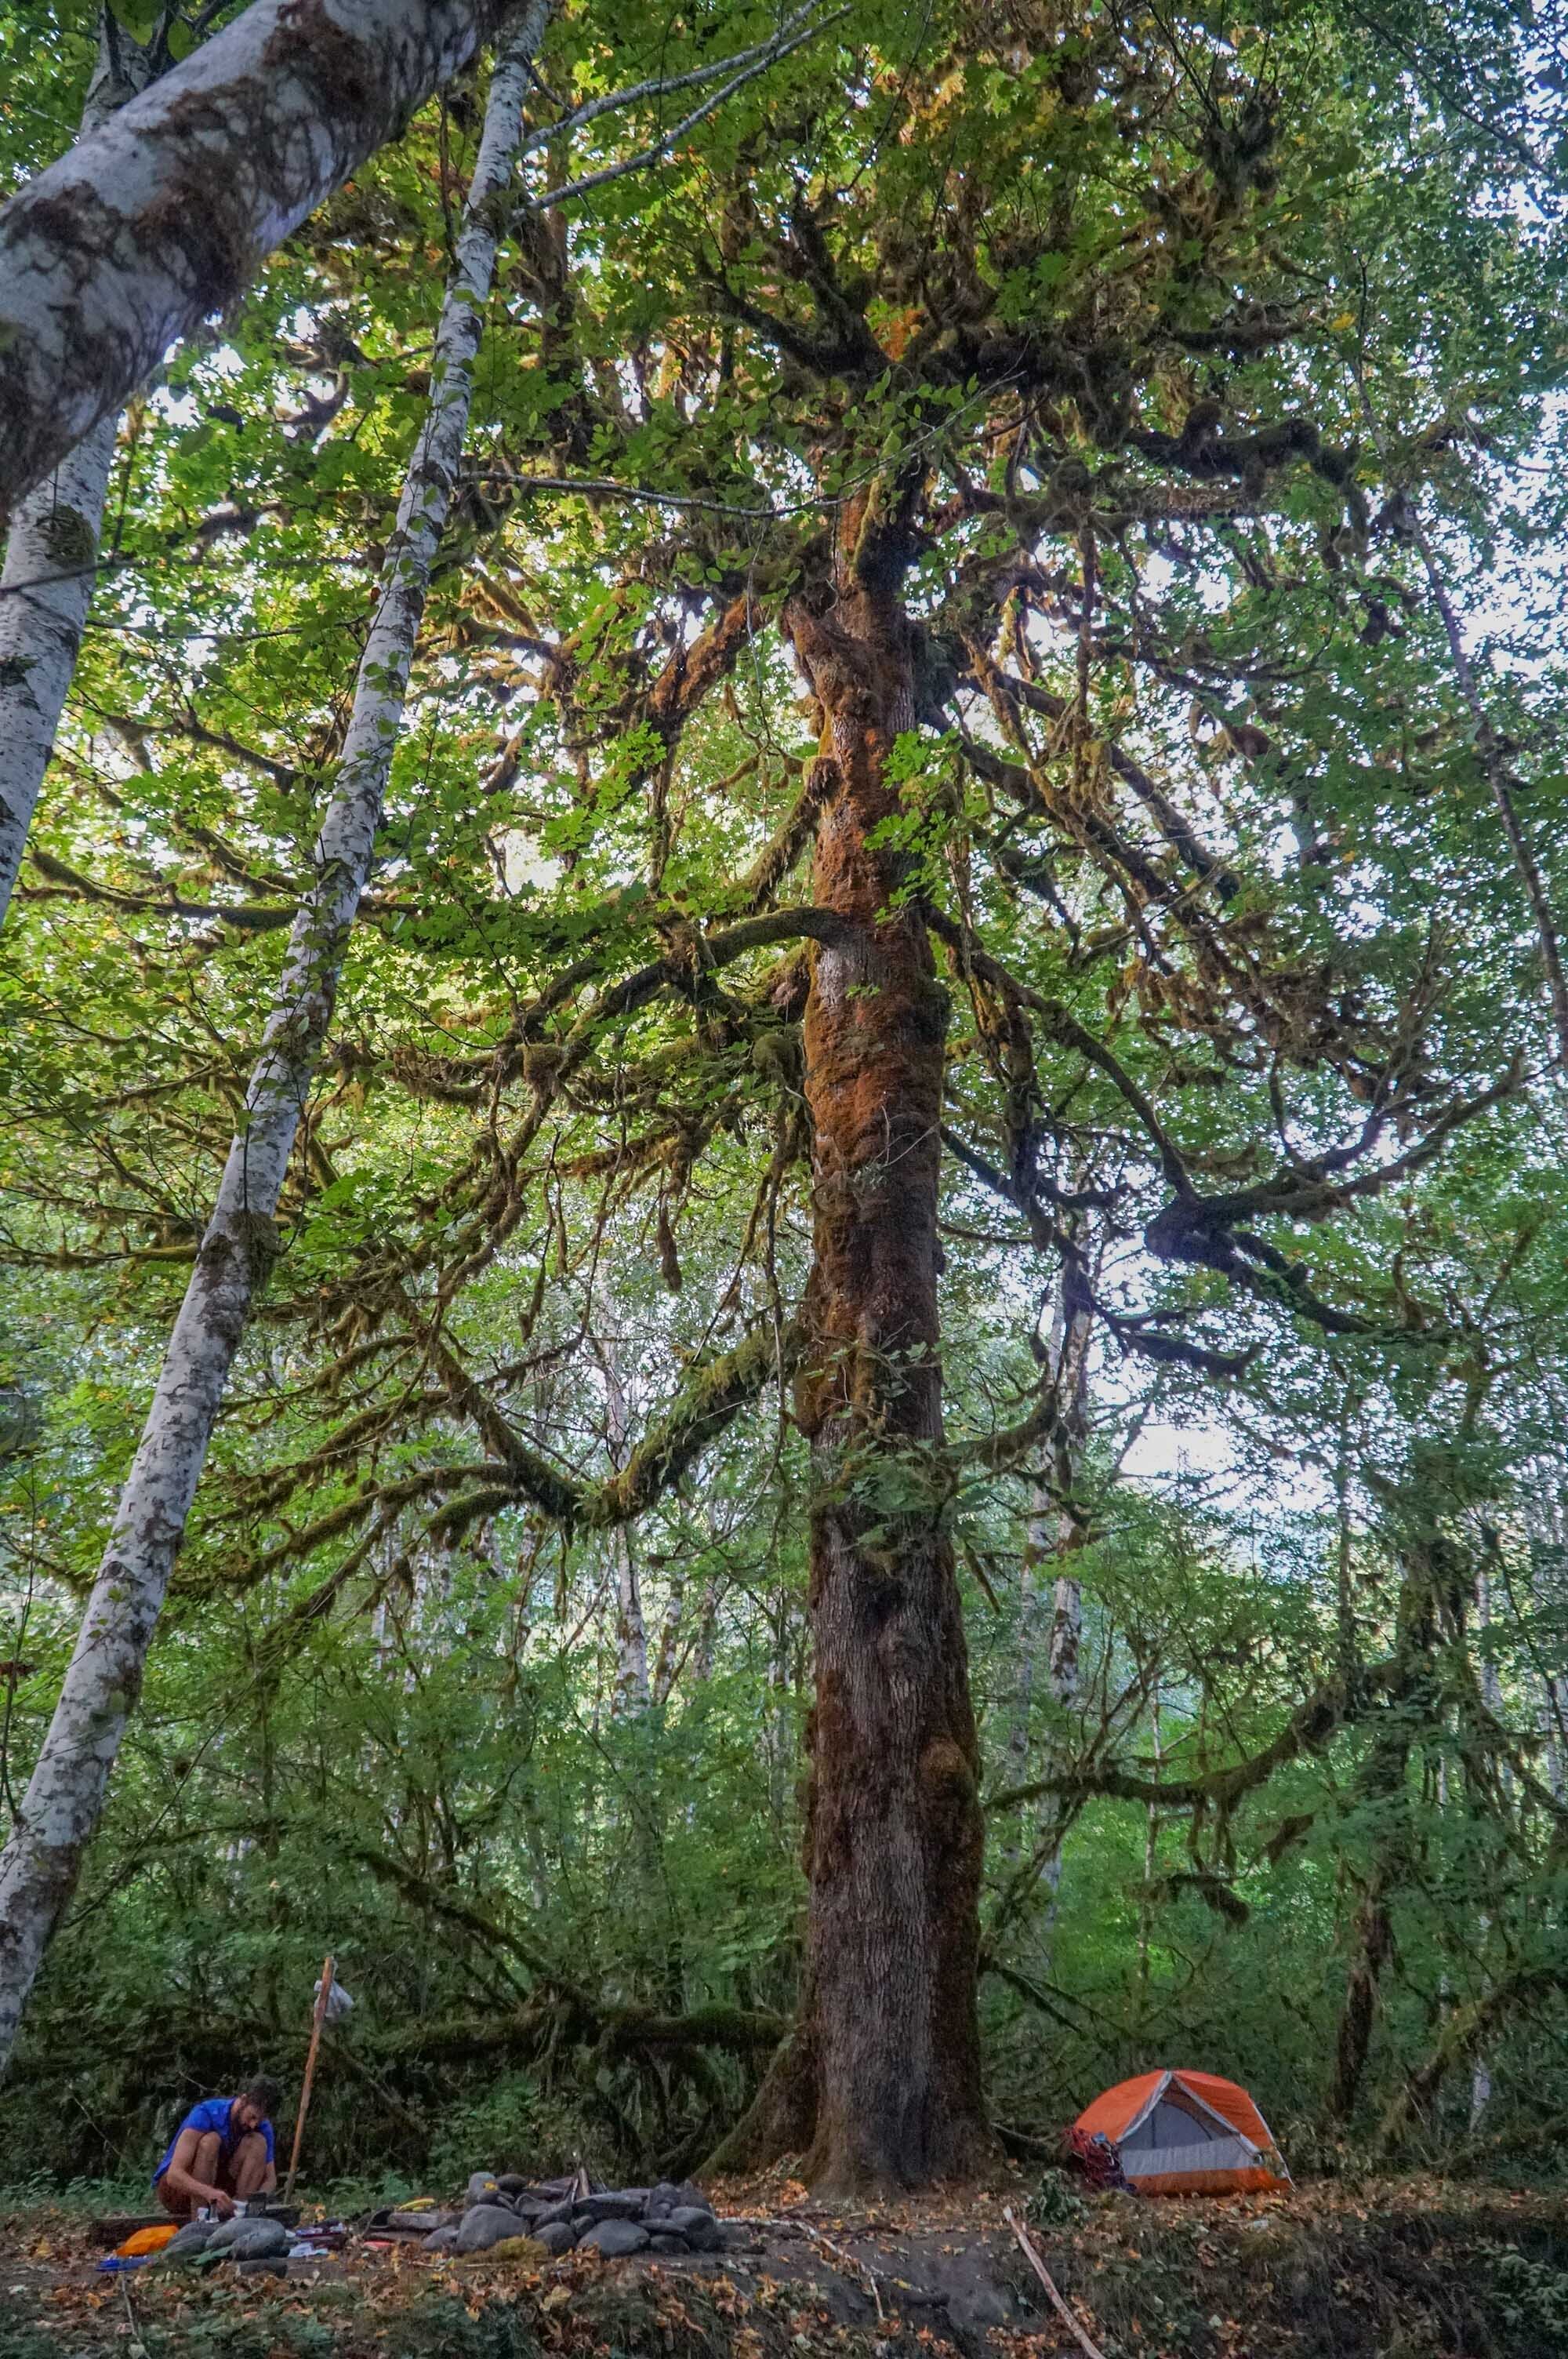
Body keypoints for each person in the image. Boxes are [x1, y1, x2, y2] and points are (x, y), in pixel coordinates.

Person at [153, 2076, 282, 2218]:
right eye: (252, 2117)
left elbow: (271, 2180)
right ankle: (199, 2220)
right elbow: (174, 2175)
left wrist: (256, 2200)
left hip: (218, 2192)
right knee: (211, 2141)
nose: (253, 2125)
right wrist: (208, 2192)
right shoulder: (206, 2113)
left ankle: (239, 2216)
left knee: (258, 2143)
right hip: (176, 2190)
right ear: (243, 2100)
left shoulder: (262, 2127)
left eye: (260, 2120)